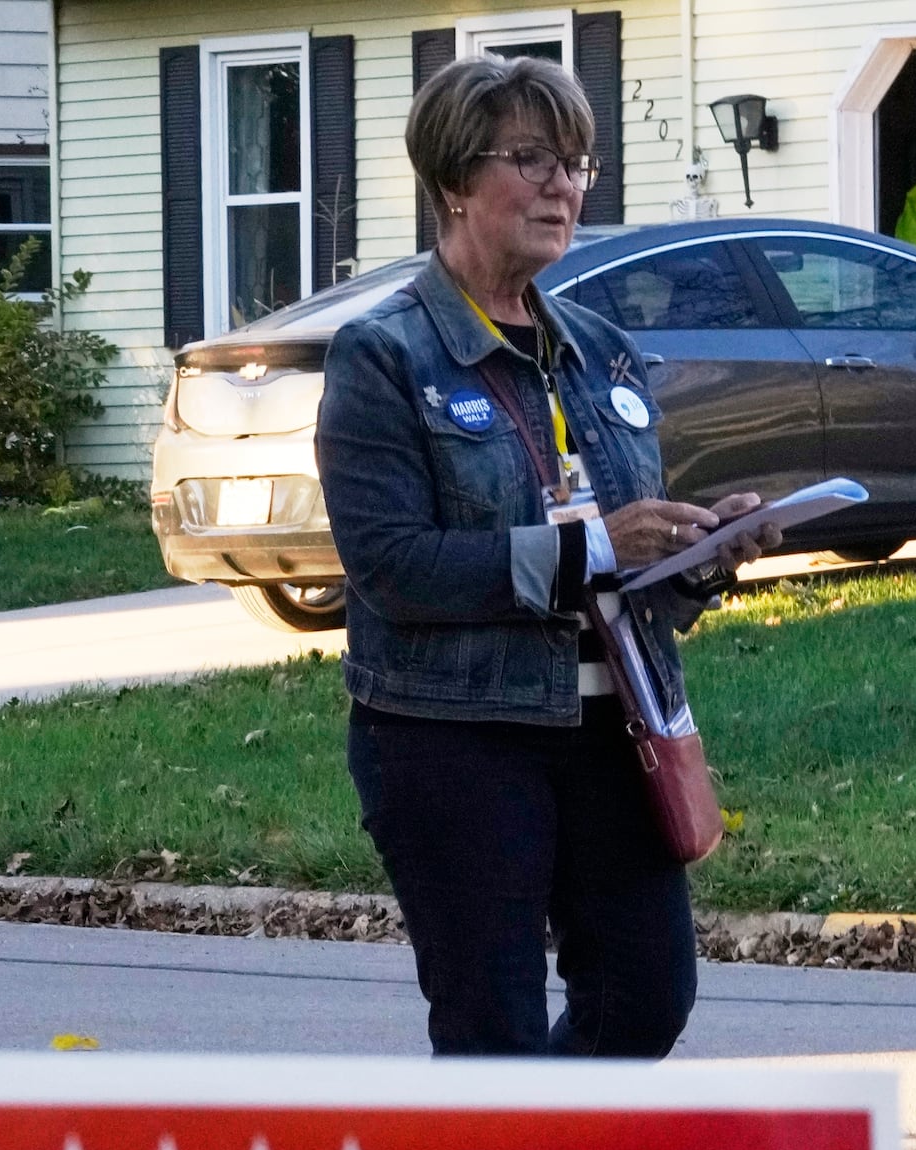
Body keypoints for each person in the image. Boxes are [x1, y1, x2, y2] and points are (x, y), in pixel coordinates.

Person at [316, 53, 777, 1057]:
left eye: (574, 161)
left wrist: (701, 552)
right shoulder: (384, 356)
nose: (561, 185)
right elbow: (393, 567)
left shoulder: (600, 350)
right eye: (530, 159)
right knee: (493, 1031)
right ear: (450, 182)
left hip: (614, 728)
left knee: (645, 995)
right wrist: (597, 547)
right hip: (452, 736)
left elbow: (622, 559)